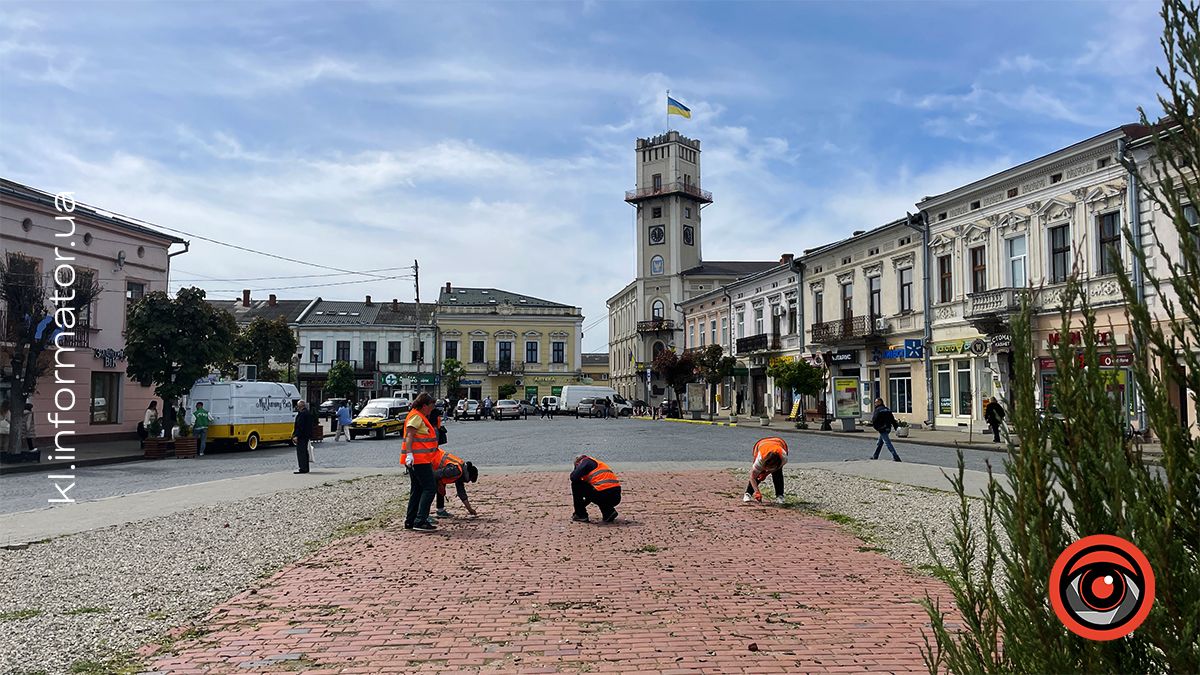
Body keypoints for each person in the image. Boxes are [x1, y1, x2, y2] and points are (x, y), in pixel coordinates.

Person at [402, 393, 441, 532]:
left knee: (417, 489)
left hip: (418, 459)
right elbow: (410, 435)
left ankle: (411, 521)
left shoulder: (418, 415)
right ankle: (420, 520)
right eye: (430, 407)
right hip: (419, 460)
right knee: (430, 488)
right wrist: (410, 454)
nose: (432, 409)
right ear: (424, 405)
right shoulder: (416, 417)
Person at [570, 454, 621, 523]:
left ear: (578, 463)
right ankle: (608, 512)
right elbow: (590, 496)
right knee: (598, 490)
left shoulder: (585, 461)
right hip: (616, 497)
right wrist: (580, 507)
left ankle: (581, 515)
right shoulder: (598, 464)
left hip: (603, 494)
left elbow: (573, 477)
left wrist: (579, 510)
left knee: (576, 484)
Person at [432, 448, 479, 519]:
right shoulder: (456, 470)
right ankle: (422, 515)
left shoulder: (460, 473)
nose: (467, 482)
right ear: (468, 476)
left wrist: (470, 509)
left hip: (433, 465)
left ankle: (440, 511)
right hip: (429, 461)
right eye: (469, 480)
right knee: (429, 490)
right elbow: (435, 475)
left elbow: (461, 493)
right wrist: (438, 484)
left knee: (441, 488)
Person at [743, 436, 789, 504]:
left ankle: (780, 496)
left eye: (771, 467)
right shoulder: (760, 460)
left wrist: (766, 474)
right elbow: (752, 477)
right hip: (761, 444)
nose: (768, 469)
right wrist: (757, 491)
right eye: (767, 467)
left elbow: (777, 468)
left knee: (777, 474)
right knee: (758, 474)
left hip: (779, 442)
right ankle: (748, 493)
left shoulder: (783, 458)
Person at [870, 398, 902, 462]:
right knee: (880, 443)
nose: (875, 403)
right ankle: (875, 456)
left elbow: (874, 420)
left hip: (882, 429)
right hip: (888, 428)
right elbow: (892, 419)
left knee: (887, 443)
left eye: (876, 402)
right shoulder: (887, 409)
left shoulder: (878, 410)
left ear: (880, 402)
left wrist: (877, 428)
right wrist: (896, 427)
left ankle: (896, 456)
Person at [291, 401, 314, 474]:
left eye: (297, 406)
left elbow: (300, 426)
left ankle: (302, 468)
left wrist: (296, 436)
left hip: (301, 436)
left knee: (301, 452)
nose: (297, 408)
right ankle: (306, 468)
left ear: (300, 406)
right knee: (305, 452)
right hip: (306, 435)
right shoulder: (308, 413)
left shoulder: (302, 414)